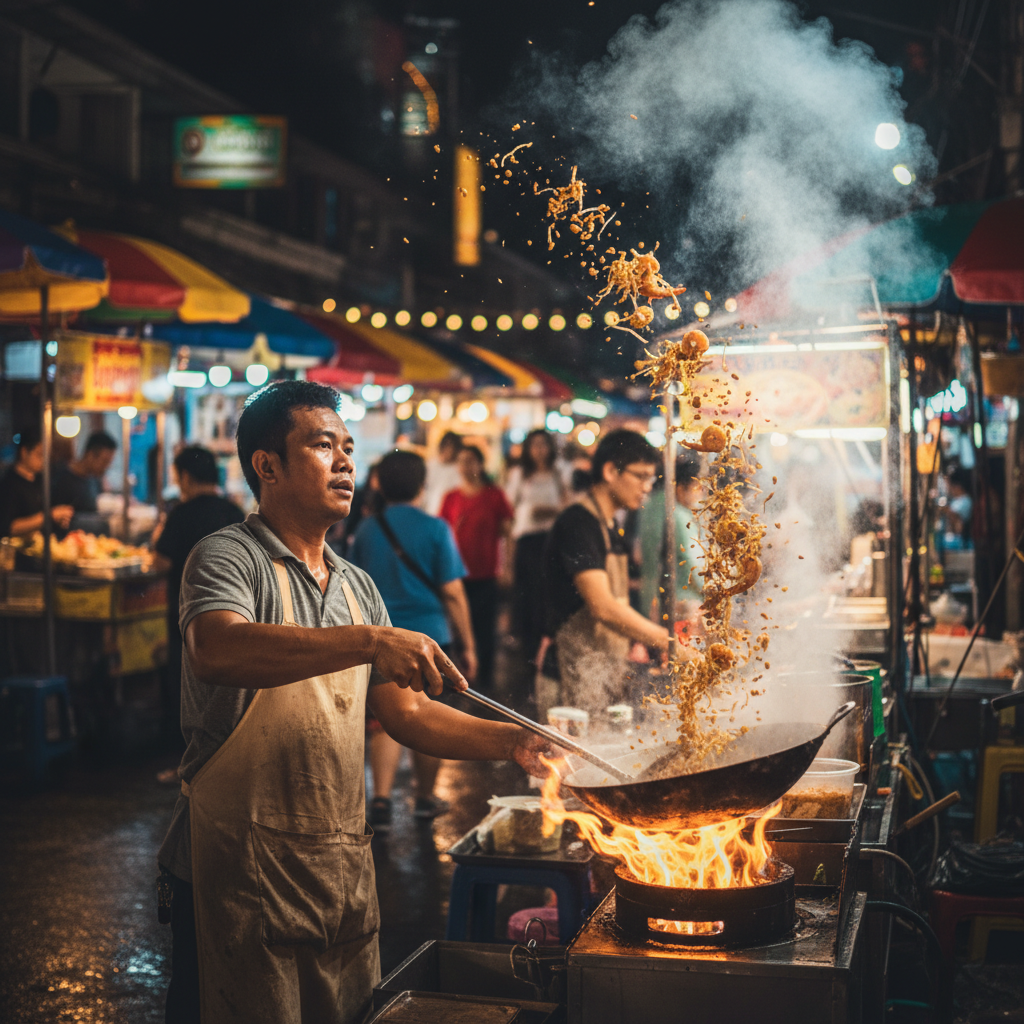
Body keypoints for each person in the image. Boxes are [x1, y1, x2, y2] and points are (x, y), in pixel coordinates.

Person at [157, 382, 551, 1024]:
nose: (345, 461)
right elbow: (216, 648)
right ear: (267, 466)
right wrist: (369, 641)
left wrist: (513, 742)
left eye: (347, 447)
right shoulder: (228, 556)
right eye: (323, 446)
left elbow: (408, 714)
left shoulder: (356, 586)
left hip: (334, 867)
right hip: (232, 867)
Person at [349, 449, 478, 830]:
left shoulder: (368, 529)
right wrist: (469, 644)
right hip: (429, 639)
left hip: (381, 638)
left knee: (385, 718)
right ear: (422, 485)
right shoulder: (436, 528)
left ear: (381, 485)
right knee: (428, 717)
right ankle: (424, 797)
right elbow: (453, 592)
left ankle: (381, 799)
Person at [543, 429, 672, 715]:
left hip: (604, 670)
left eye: (651, 479)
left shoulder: (611, 526)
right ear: (611, 471)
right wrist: (667, 641)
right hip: (570, 672)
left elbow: (619, 600)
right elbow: (603, 606)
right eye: (641, 476)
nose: (647, 487)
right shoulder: (579, 523)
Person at [151, 446, 245, 749]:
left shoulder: (181, 514)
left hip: (187, 614)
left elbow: (160, 562)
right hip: (232, 610)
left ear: (185, 476)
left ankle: (183, 753)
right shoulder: (232, 512)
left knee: (185, 681)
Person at [440, 445, 515, 690]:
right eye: (461, 461)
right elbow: (442, 534)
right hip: (456, 575)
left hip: (486, 573)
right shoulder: (451, 497)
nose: (465, 466)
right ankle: (462, 681)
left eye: (471, 460)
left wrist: (507, 567)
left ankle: (486, 683)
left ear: (481, 465)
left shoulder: (494, 495)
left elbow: (507, 533)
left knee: (485, 630)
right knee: (459, 629)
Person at [505, 429, 565, 665]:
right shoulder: (519, 475)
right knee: (527, 594)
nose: (540, 450)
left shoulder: (559, 474)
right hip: (527, 540)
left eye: (544, 445)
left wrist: (550, 511)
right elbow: (510, 512)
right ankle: (527, 647)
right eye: (535, 445)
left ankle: (544, 645)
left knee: (547, 593)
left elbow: (566, 505)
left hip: (551, 540)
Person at [638, 456, 704, 630]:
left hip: (650, 598)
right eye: (697, 488)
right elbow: (694, 564)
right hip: (682, 602)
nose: (700, 494)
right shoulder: (679, 515)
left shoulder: (650, 504)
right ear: (680, 488)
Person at [0, 426, 74, 537]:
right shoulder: (9, 484)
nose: (44, 461)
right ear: (24, 452)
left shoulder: (40, 480)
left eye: (46, 456)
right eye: (40, 454)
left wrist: (58, 519)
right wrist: (50, 516)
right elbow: (8, 527)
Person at [51, 431, 117, 517]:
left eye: (109, 463)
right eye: (105, 461)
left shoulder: (95, 480)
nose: (107, 467)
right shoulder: (61, 477)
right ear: (90, 455)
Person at [422, 430, 463, 515]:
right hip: (429, 512)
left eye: (452, 447)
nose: (449, 450)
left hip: (450, 514)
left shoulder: (460, 469)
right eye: (447, 446)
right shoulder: (430, 466)